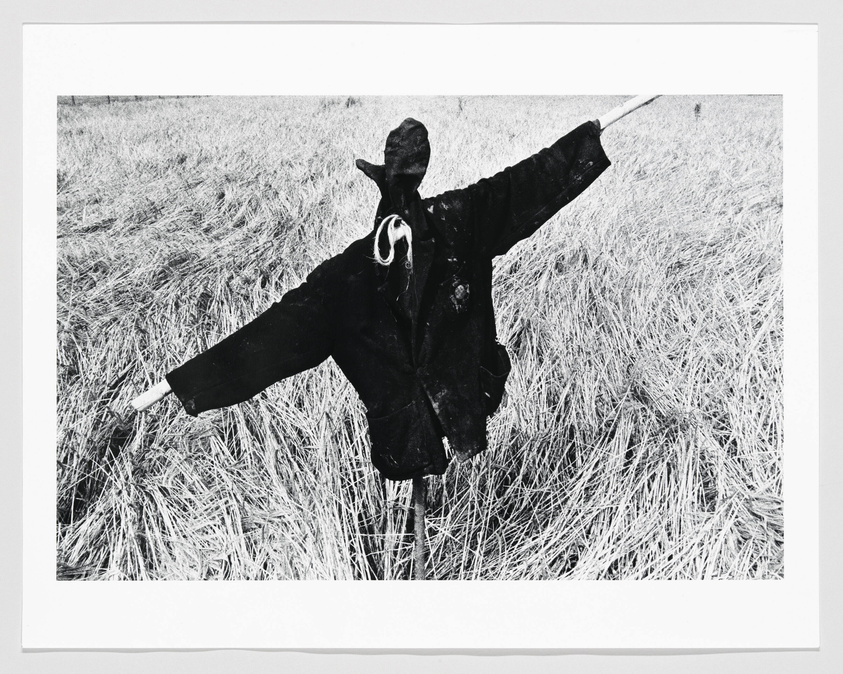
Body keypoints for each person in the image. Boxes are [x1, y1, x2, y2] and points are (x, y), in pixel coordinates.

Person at [164, 116, 611, 481]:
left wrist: (587, 137)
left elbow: (528, 182)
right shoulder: (344, 280)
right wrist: (188, 382)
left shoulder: (459, 221)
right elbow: (269, 340)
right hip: (404, 431)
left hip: (468, 395)